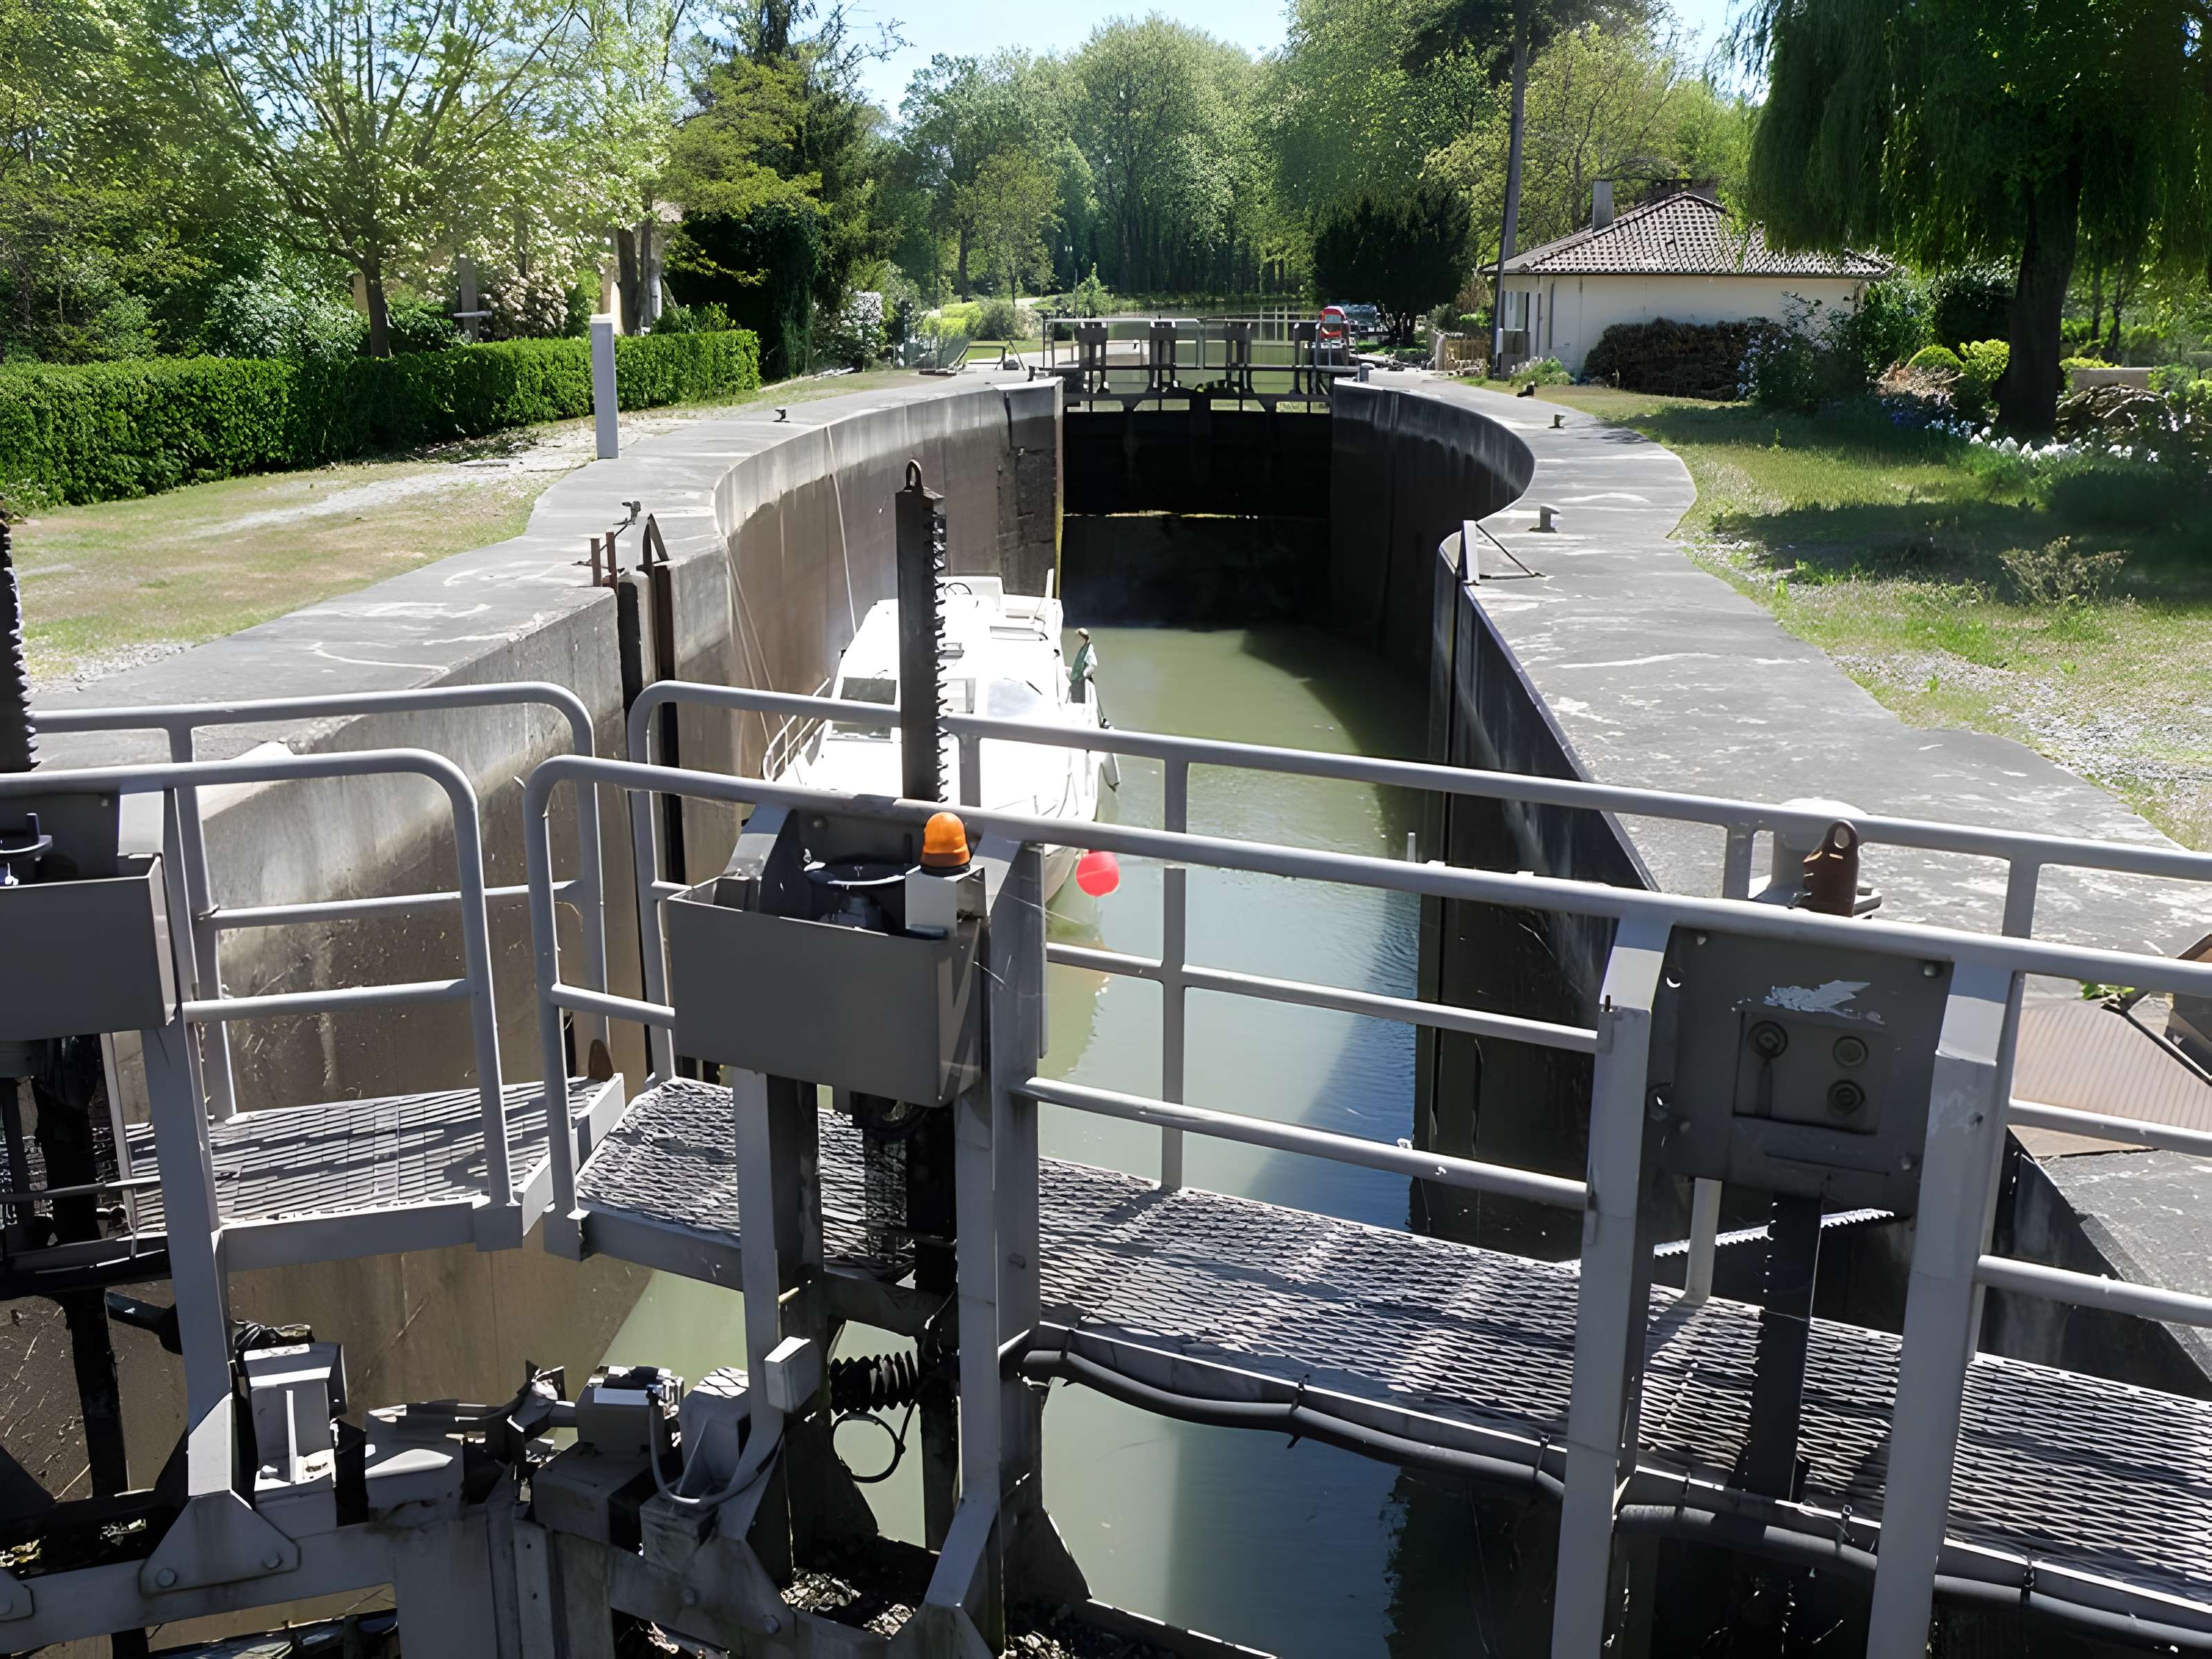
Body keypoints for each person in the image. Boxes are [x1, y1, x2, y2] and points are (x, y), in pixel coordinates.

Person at [1067, 628, 1097, 703]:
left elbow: (1094, 663)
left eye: (1077, 637)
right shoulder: (1083, 648)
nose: (1076, 639)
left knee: (1078, 702)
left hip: (1080, 681)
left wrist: (1085, 673)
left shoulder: (1088, 649)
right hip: (1076, 680)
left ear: (1083, 638)